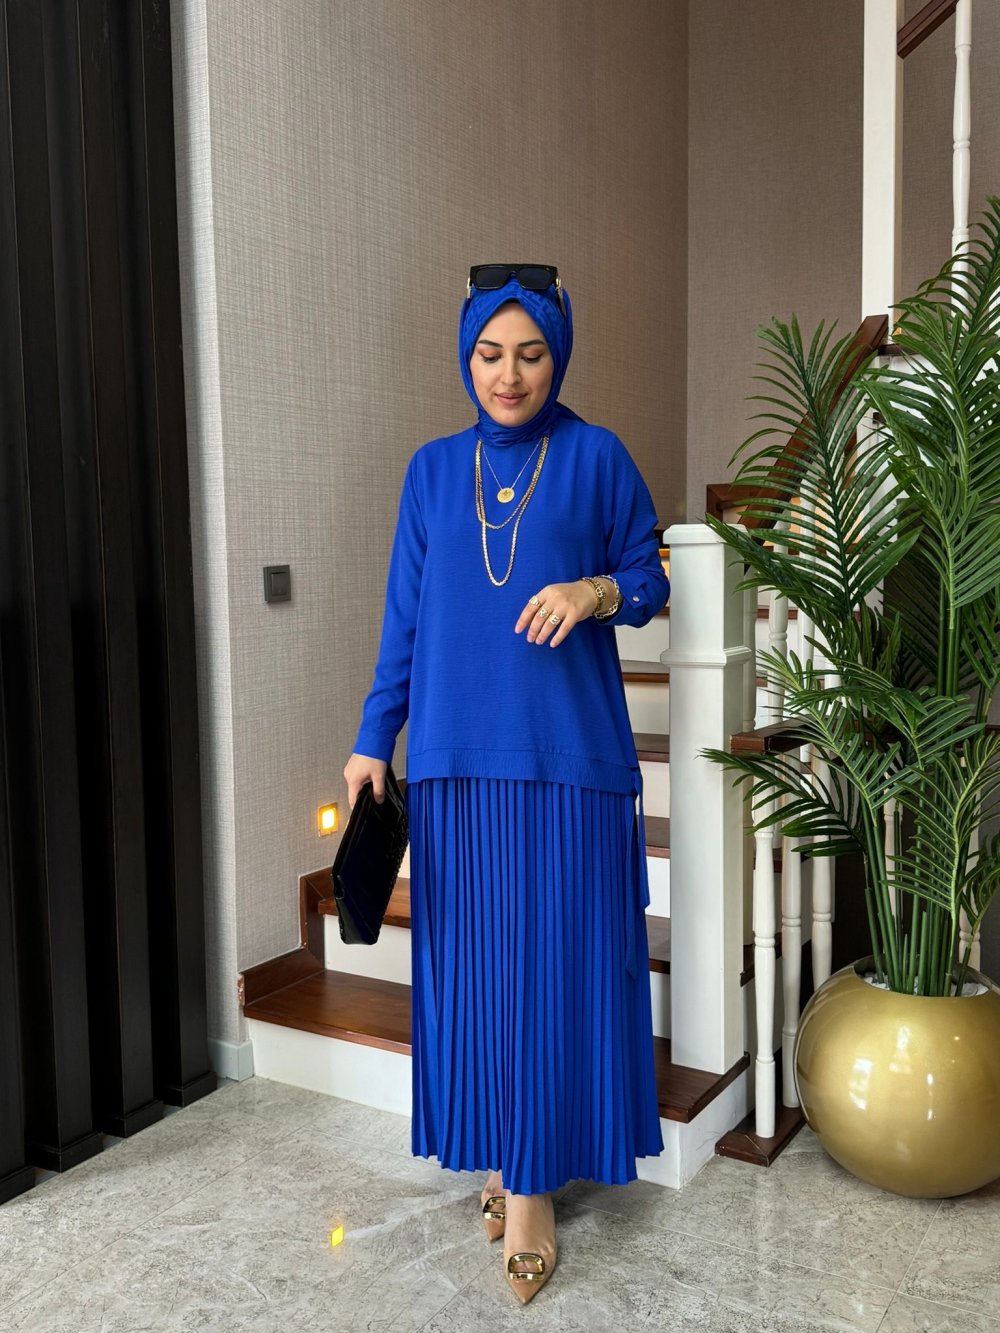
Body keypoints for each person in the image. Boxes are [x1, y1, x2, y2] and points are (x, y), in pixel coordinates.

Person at [344, 264, 669, 1303]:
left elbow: (650, 577)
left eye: (530, 353)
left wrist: (593, 589)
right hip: (453, 763)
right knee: (478, 976)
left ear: (557, 356)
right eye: (490, 353)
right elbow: (404, 617)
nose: (509, 374)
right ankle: (505, 1146)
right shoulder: (432, 472)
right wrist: (373, 737)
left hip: (569, 762)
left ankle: (529, 1187)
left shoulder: (598, 456)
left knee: (555, 970)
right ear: (467, 355)